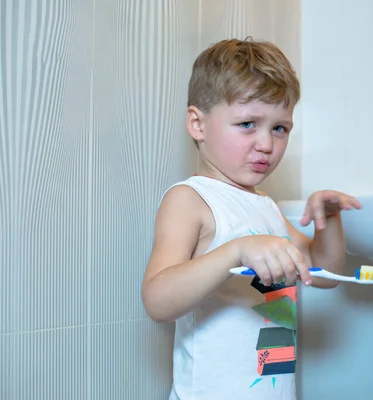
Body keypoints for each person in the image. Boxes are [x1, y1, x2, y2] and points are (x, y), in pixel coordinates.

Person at [141, 38, 361, 400]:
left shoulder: (265, 206)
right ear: (197, 124)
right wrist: (236, 251)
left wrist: (329, 221)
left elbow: (323, 273)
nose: (266, 143)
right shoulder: (192, 199)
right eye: (247, 124)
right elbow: (157, 300)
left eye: (279, 128)